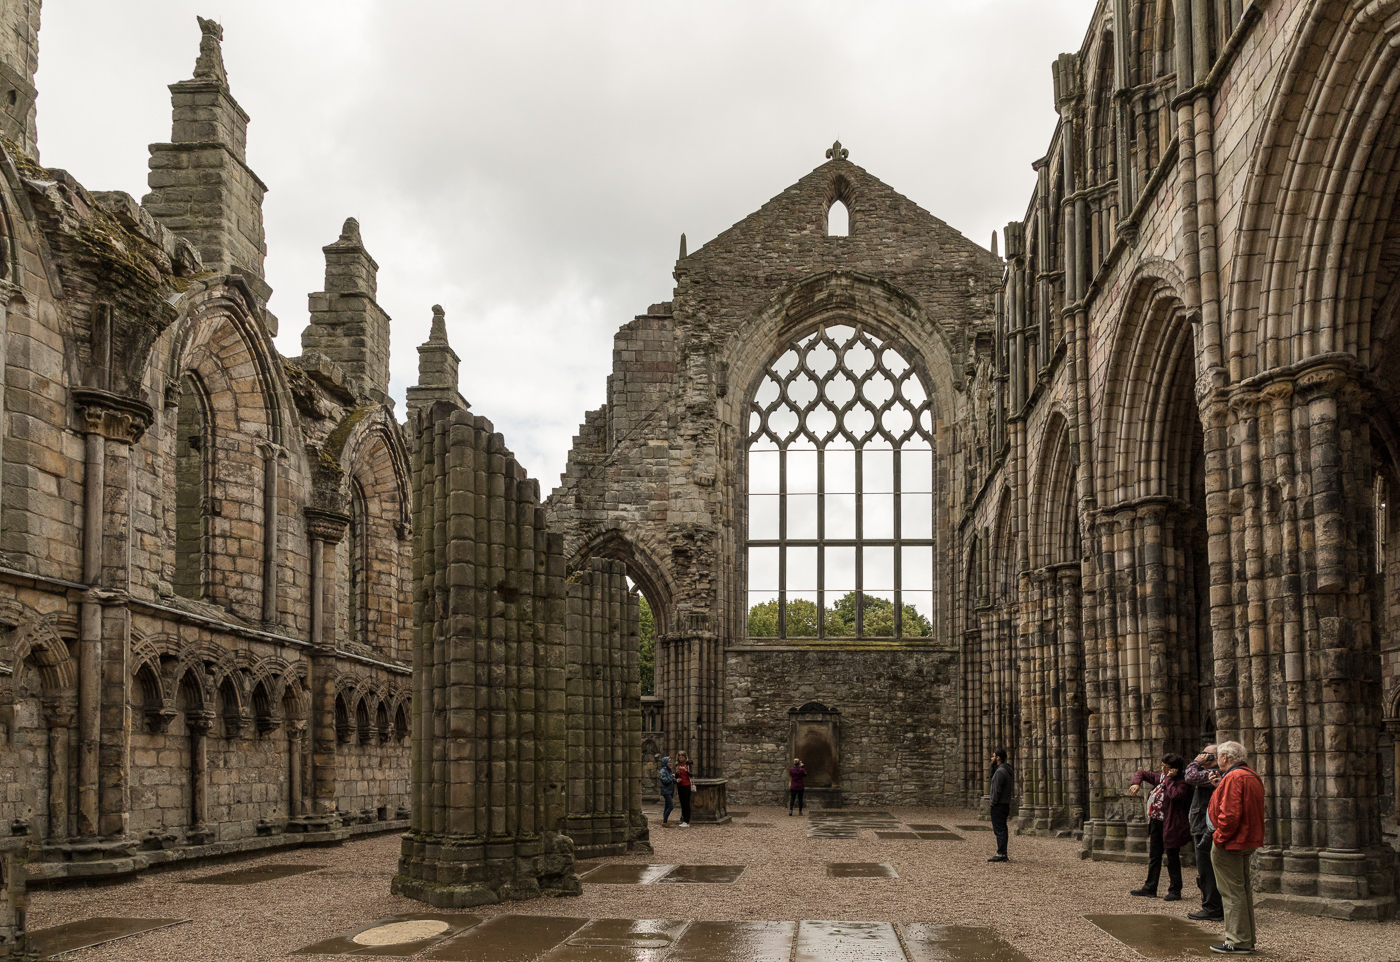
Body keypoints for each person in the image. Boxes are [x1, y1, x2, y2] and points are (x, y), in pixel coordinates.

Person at [1206, 740, 1265, 955]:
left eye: (1218, 756)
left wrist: (1219, 838)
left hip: (1232, 841)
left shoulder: (1234, 777)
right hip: (1246, 839)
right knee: (1241, 889)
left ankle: (1237, 941)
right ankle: (1246, 939)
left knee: (1231, 892)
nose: (1216, 760)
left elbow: (1230, 814)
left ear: (1225, 758)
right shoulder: (1251, 775)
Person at [1128, 752, 1192, 900]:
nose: (1162, 769)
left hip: (1171, 824)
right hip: (1156, 822)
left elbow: (1174, 795)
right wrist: (1136, 783)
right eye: (1162, 766)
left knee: (1172, 857)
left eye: (1166, 767)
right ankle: (1150, 887)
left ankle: (1175, 891)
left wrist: (1169, 778)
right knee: (1154, 856)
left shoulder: (1181, 782)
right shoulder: (1160, 777)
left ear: (1174, 769)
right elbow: (1141, 773)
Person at [1185, 744, 1224, 921]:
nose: (1201, 756)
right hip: (1202, 824)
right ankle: (1212, 905)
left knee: (1207, 868)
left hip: (1205, 826)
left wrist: (1195, 762)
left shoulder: (1214, 773)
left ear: (1214, 757)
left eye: (1205, 754)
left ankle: (1212, 907)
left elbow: (1190, 776)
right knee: (1206, 868)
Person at [988, 748, 1013, 862]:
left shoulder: (1000, 772)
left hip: (999, 804)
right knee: (1002, 828)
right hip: (1004, 804)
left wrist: (993, 803)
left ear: (998, 758)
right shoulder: (1005, 770)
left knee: (1000, 830)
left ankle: (1002, 853)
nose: (992, 758)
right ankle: (1002, 852)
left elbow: (997, 790)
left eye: (993, 756)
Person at [676, 752, 693, 828]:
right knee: (682, 803)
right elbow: (676, 775)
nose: (681, 759)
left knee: (686, 803)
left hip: (686, 785)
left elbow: (691, 774)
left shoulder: (688, 765)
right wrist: (677, 773)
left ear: (685, 758)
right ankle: (683, 820)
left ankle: (687, 821)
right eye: (680, 758)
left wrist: (685, 770)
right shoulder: (677, 765)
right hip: (680, 785)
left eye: (682, 758)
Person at [657, 756, 676, 828]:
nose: (670, 763)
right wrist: (672, 777)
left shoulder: (668, 770)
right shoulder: (663, 771)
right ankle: (664, 822)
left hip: (670, 790)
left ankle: (665, 821)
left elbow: (670, 779)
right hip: (666, 791)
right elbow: (664, 780)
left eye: (670, 762)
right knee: (671, 806)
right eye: (668, 762)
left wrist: (676, 780)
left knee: (667, 806)